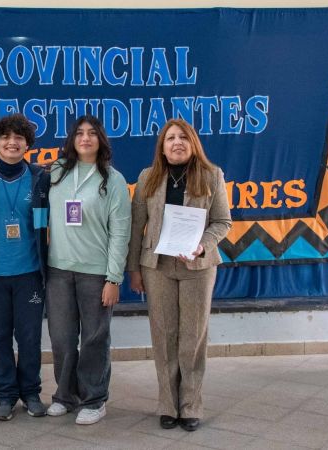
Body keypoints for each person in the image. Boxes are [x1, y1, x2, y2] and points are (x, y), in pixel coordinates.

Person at [126, 118, 232, 432]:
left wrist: (203, 245)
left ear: (193, 143)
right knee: (164, 337)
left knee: (193, 338)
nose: (177, 143)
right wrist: (133, 269)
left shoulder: (212, 175)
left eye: (183, 138)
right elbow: (136, 227)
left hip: (197, 268)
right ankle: (168, 405)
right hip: (156, 267)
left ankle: (191, 406)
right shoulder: (148, 177)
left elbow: (223, 222)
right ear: (162, 145)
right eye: (170, 138)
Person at [45, 115, 131, 425]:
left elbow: (121, 232)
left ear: (101, 140)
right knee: (62, 338)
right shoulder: (56, 173)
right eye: (79, 133)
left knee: (95, 338)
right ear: (71, 139)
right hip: (58, 271)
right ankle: (65, 396)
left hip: (96, 274)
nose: (85, 138)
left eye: (92, 133)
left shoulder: (114, 179)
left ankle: (95, 399)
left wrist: (113, 278)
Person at [0, 113, 50, 421]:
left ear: (27, 144)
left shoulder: (40, 177)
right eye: (6, 137)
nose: (12, 142)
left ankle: (30, 392)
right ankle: (5, 393)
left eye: (19, 137)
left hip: (30, 272)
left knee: (29, 337)